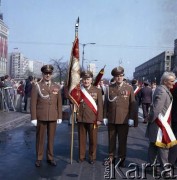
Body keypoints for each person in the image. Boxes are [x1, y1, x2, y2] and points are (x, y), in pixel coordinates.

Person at [103, 66, 138, 167]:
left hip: (124, 119)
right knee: (111, 139)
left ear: (123, 76)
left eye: (121, 76)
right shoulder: (109, 88)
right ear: (114, 77)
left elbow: (133, 104)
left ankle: (122, 159)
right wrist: (105, 116)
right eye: (117, 76)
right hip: (112, 118)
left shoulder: (129, 88)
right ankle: (111, 157)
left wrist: (131, 118)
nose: (119, 78)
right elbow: (106, 103)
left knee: (122, 140)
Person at [30, 64, 62, 167]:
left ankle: (50, 157)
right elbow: (33, 103)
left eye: (49, 73)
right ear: (42, 74)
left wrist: (60, 116)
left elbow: (59, 103)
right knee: (40, 138)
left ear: (52, 74)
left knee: (51, 138)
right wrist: (34, 117)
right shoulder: (37, 86)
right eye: (45, 73)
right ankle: (39, 158)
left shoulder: (56, 86)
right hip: (41, 116)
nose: (47, 75)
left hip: (53, 116)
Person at [146, 72, 177, 172]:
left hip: (159, 124)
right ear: (165, 81)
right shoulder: (163, 92)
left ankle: (152, 166)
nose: (174, 83)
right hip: (159, 125)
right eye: (172, 81)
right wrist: (150, 119)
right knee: (164, 147)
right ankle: (165, 170)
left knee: (153, 146)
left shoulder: (163, 89)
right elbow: (156, 109)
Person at [77, 70, 103, 164]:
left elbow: (100, 105)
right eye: (84, 79)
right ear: (82, 80)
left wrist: (99, 119)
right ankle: (81, 156)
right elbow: (74, 103)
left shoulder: (97, 91)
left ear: (91, 80)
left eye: (88, 79)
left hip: (93, 119)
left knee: (93, 140)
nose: (86, 81)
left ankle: (92, 157)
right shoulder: (78, 90)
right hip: (81, 118)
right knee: (81, 139)